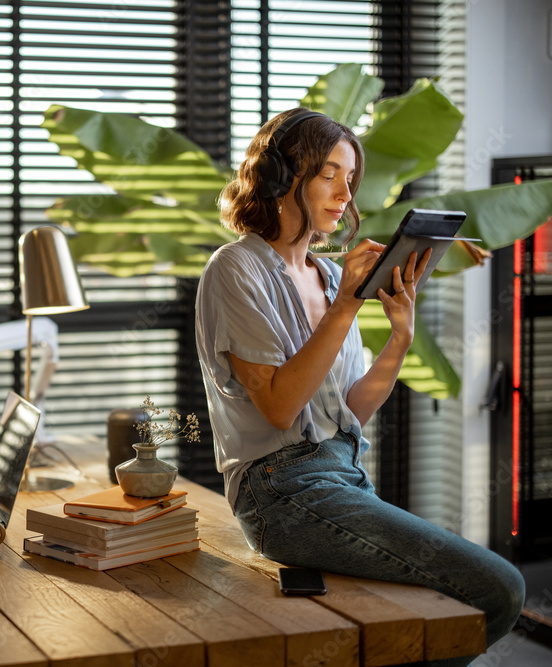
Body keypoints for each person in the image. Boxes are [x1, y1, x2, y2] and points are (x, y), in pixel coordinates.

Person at [194, 107, 525, 666]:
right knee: (501, 589)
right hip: (280, 493)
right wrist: (346, 308)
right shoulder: (235, 269)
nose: (346, 193)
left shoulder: (327, 276)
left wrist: (400, 337)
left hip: (344, 475)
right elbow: (279, 408)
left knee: (436, 601)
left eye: (351, 178)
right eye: (329, 174)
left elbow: (351, 409)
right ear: (281, 176)